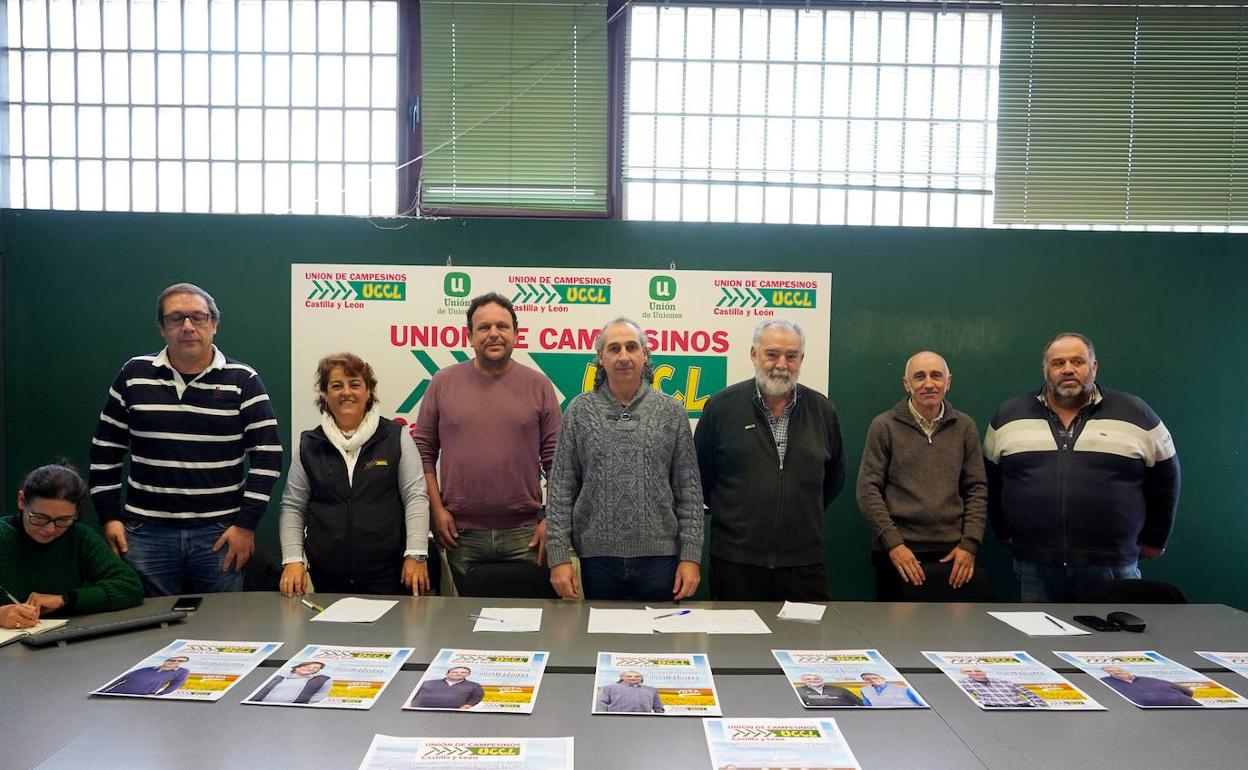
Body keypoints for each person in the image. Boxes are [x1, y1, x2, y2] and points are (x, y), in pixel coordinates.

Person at [88, 283, 283, 596]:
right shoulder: (133, 375)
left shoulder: (243, 380)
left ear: (214, 324)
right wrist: (109, 517)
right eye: (176, 318)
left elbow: (268, 455)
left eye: (198, 317)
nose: (188, 327)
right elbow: (105, 452)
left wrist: (246, 525)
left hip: (220, 536)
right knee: (149, 631)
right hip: (145, 535)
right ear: (162, 328)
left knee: (223, 631)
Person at [984, 333, 1181, 602]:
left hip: (1112, 564)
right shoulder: (1008, 415)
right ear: (1045, 370)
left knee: (1115, 643)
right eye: (1058, 363)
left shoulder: (1137, 412)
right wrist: (1003, 531)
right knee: (1039, 642)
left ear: (1094, 367)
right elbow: (992, 481)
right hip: (1035, 564)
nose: (1067, 369)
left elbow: (1167, 478)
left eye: (1077, 361)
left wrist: (1156, 539)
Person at [413, 292, 561, 594]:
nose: (493, 333)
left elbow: (557, 459)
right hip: (460, 533)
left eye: (502, 326)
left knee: (528, 627)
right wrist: (436, 510)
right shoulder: (443, 382)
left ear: (516, 334)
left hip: (527, 534)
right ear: (470, 336)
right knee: (466, 627)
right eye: (484, 327)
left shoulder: (539, 385)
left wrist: (552, 519)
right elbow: (422, 452)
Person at [546, 318, 703, 601]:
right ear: (601, 358)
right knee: (600, 641)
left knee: (659, 642)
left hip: (660, 560)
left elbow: (689, 493)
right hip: (597, 561)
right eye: (614, 348)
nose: (623, 356)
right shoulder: (579, 411)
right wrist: (558, 558)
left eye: (632, 347)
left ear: (645, 355)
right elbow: (560, 491)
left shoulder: (672, 412)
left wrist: (691, 557)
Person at [694, 319, 844, 601]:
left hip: (804, 565)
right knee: (736, 646)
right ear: (754, 355)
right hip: (735, 564)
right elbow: (700, 478)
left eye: (791, 356)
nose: (781, 364)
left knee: (805, 643)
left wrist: (796, 510)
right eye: (772, 354)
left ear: (801, 358)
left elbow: (833, 478)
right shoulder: (721, 407)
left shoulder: (823, 411)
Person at [278, 353, 431, 596]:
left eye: (355, 384)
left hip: (388, 574)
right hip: (326, 575)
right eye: (336, 386)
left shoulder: (396, 436)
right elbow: (293, 506)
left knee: (388, 635)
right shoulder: (309, 443)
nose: (346, 392)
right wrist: (293, 559)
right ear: (325, 395)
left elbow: (416, 498)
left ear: (369, 392)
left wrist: (416, 554)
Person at [856, 351, 988, 600]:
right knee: (898, 636)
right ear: (907, 384)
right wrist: (893, 545)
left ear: (948, 381)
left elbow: (976, 489)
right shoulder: (884, 426)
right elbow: (867, 489)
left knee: (955, 635)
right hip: (897, 553)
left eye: (936, 376)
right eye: (919, 377)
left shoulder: (964, 427)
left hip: (953, 553)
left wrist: (969, 544)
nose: (929, 384)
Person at [0, 463, 142, 630]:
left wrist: (65, 600)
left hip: (65, 640)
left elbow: (130, 587)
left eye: (63, 520)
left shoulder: (79, 537)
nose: (50, 529)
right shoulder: (4, 536)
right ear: (22, 501)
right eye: (39, 517)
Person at [1099, 666, 1200, 707]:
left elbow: (1188, 692)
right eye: (1111, 671)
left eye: (1118, 669)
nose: (1116, 671)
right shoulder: (1104, 682)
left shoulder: (1151, 680)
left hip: (1191, 710)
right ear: (1109, 673)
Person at [956, 666, 1047, 708]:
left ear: (984, 671)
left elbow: (1030, 694)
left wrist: (1042, 708)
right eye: (969, 671)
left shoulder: (1004, 682)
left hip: (1021, 707)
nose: (975, 672)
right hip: (993, 708)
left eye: (977, 670)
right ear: (964, 674)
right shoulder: (963, 683)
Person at [102, 656, 191, 696]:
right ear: (167, 660)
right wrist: (102, 690)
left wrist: (159, 695)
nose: (175, 661)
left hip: (140, 697)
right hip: (115, 692)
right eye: (173, 659)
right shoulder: (147, 668)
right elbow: (120, 679)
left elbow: (175, 685)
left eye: (180, 661)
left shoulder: (182, 672)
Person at [251, 661, 332, 704]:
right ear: (298, 667)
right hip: (259, 706)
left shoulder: (321, 680)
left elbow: (320, 695)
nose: (311, 669)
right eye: (307, 666)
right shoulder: (279, 676)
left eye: (315, 668)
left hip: (293, 710)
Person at [410, 665, 485, 710]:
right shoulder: (428, 682)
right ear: (447, 674)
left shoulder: (474, 685)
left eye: (463, 672)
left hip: (452, 714)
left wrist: (462, 709)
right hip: (421, 711)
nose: (459, 674)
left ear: (468, 675)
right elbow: (413, 695)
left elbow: (476, 699)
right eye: (455, 672)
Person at [595, 670, 664, 713]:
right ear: (622, 677)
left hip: (644, 719)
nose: (633, 678)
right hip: (616, 719)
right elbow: (601, 705)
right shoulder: (608, 688)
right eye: (629, 676)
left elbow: (658, 707)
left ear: (641, 678)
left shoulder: (651, 689)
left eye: (637, 676)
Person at [794, 672, 863, 707]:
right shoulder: (797, 691)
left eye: (816, 678)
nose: (813, 681)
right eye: (808, 679)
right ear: (803, 680)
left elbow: (861, 703)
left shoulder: (840, 690)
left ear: (822, 679)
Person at [858, 672, 924, 707]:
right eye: (867, 679)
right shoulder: (864, 690)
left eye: (875, 678)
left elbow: (921, 704)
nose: (871, 680)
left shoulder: (904, 688)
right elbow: (868, 705)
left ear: (883, 678)